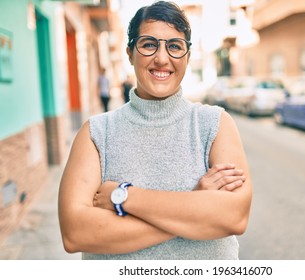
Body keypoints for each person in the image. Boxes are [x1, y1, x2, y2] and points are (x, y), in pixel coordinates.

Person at [58, 1, 252, 260]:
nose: (162, 58)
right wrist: (195, 207)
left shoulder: (215, 123)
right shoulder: (95, 134)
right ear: (130, 53)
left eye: (174, 46)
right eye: (149, 44)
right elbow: (75, 233)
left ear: (187, 56)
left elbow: (234, 216)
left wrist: (125, 196)